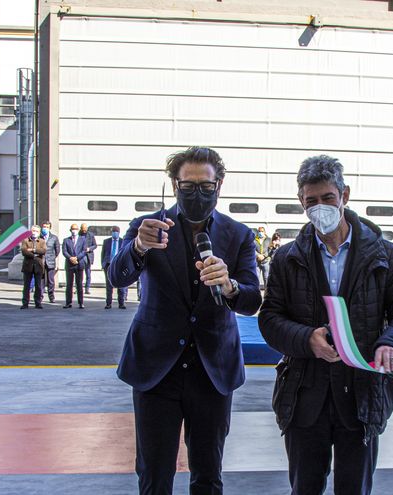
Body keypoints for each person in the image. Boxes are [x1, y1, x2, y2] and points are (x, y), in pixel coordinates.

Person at [259, 154, 393, 494]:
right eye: (311, 201)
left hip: (361, 396)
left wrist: (391, 342)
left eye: (328, 198)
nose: (320, 207)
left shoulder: (386, 254)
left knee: (354, 488)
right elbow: (270, 319)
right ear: (300, 202)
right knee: (304, 487)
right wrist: (307, 339)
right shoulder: (287, 258)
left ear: (344, 196)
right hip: (305, 397)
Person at [107, 147, 261, 494]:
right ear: (174, 185)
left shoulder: (239, 235)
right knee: (153, 474)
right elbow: (117, 277)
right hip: (156, 369)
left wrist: (230, 284)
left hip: (212, 370)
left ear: (219, 185)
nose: (197, 193)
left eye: (205, 186)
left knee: (208, 474)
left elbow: (252, 300)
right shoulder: (149, 227)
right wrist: (137, 248)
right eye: (187, 186)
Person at [62, 223, 88, 309]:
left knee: (79, 284)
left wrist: (77, 258)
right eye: (73, 229)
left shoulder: (82, 239)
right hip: (69, 264)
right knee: (69, 284)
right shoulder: (66, 240)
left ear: (78, 230)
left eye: (76, 229)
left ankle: (81, 303)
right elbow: (64, 251)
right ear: (70, 230)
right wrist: (70, 258)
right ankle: (68, 302)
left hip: (79, 264)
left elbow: (84, 251)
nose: (74, 231)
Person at [20, 225, 47, 309]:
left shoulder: (42, 241)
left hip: (38, 266)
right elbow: (24, 251)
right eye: (33, 231)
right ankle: (25, 303)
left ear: (39, 233)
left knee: (38, 286)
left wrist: (33, 250)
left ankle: (38, 302)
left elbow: (43, 251)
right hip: (28, 266)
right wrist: (35, 254)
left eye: (36, 231)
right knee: (26, 285)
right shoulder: (25, 240)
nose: (34, 233)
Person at [101, 226, 127, 309]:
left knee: (121, 284)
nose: (114, 233)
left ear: (119, 233)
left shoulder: (123, 242)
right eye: (113, 231)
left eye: (116, 231)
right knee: (109, 285)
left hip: (119, 265)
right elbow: (103, 253)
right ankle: (108, 303)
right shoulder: (106, 241)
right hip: (108, 265)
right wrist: (103, 264)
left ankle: (121, 303)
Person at [40, 221, 60, 303]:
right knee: (41, 280)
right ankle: (40, 297)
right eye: (44, 226)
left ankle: (51, 296)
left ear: (50, 228)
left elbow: (57, 250)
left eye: (47, 227)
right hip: (40, 262)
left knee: (51, 280)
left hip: (50, 261)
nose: (45, 228)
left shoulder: (54, 238)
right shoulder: (39, 237)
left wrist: (52, 257)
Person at [80, 223, 98, 296]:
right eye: (83, 230)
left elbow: (95, 245)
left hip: (88, 256)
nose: (84, 231)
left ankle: (87, 288)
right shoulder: (79, 235)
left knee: (88, 273)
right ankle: (79, 288)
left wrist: (89, 249)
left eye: (85, 230)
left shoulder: (91, 235)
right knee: (79, 273)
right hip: (80, 255)